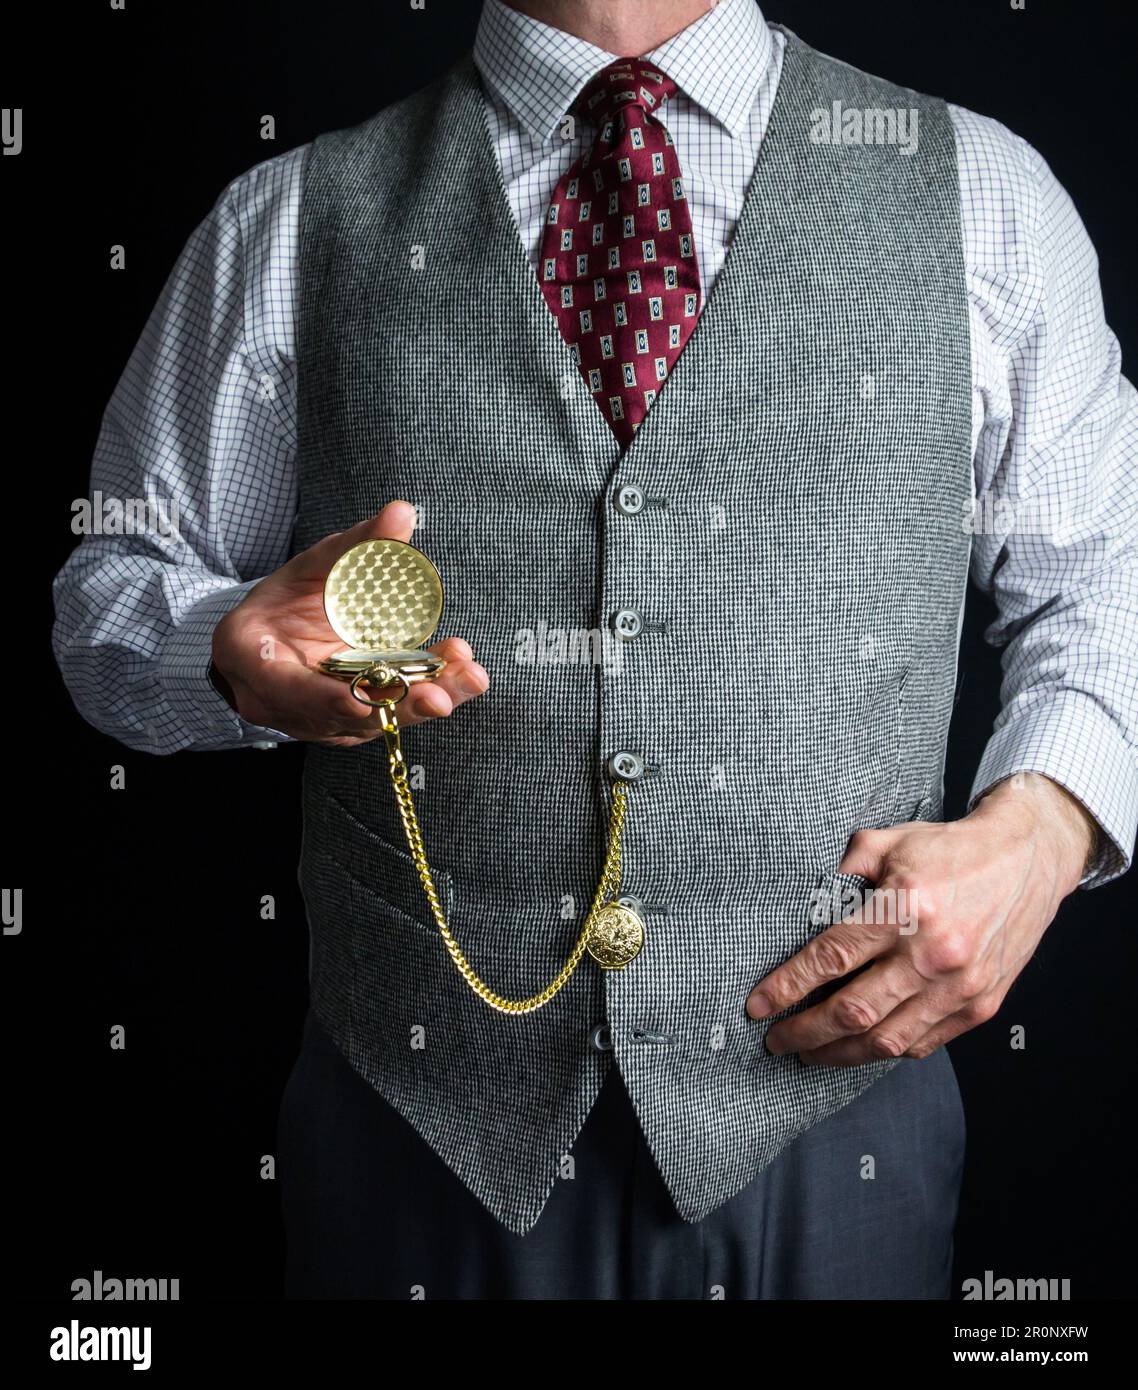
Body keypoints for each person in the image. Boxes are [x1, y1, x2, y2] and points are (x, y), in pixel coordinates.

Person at [52, 0, 1137, 1299]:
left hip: (835, 1131)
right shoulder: (292, 214)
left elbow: (1103, 582)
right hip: (415, 1136)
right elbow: (107, 594)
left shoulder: (985, 193)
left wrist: (1047, 823)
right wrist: (221, 652)